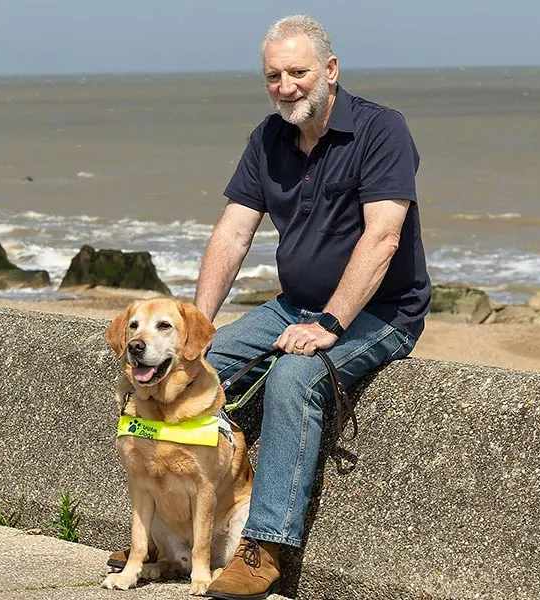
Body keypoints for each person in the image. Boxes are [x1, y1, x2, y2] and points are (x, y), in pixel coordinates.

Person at [195, 15, 431, 599]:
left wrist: (329, 323)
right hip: (293, 303)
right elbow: (232, 234)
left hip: (381, 312)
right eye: (274, 76)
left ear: (329, 70)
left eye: (298, 72)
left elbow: (383, 239)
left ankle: (266, 547)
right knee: (196, 371)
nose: (286, 86)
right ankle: (184, 532)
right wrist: (195, 327)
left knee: (296, 376)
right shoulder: (268, 137)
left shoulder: (382, 130)